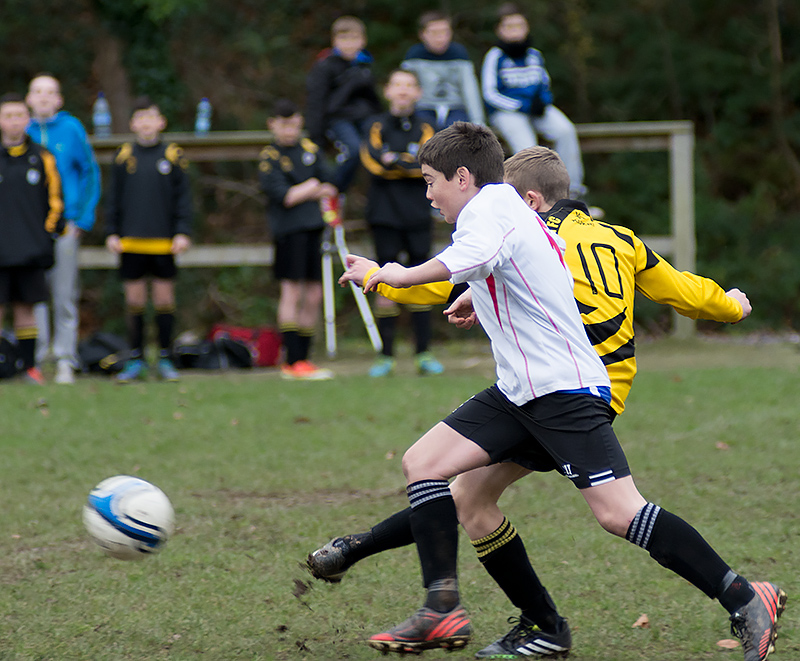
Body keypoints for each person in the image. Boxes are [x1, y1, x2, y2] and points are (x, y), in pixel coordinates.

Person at [311, 127, 786, 661]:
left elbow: (463, 260)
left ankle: (746, 597)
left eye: (430, 181)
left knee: (619, 513)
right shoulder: (524, 214)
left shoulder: (491, 208)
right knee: (434, 470)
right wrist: (479, 293)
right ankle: (475, 612)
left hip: (563, 390)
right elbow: (525, 263)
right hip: (521, 391)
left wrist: (394, 275)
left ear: (463, 177)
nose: (428, 194)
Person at [359, 69, 442, 377]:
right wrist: (403, 161)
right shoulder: (375, 124)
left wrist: (396, 159)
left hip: (419, 211)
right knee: (383, 279)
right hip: (383, 213)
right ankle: (386, 356)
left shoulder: (427, 125)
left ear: (418, 92)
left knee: (422, 277)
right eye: (397, 85)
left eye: (409, 85)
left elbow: (427, 164)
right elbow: (372, 162)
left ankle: (423, 353)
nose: (403, 91)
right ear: (388, 91)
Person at [105, 96, 192, 383]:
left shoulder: (173, 155)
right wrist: (112, 232)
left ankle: (165, 358)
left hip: (164, 241)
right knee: (135, 300)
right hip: (131, 241)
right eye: (140, 118)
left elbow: (184, 197)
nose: (146, 123)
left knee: (165, 298)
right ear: (132, 124)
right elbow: (113, 198)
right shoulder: (123, 156)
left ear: (161, 122)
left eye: (151, 117)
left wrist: (182, 231)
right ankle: (136, 359)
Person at [26, 73, 101, 384]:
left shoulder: (71, 129)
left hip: (65, 226)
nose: (43, 97)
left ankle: (65, 358)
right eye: (37, 91)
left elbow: (89, 172)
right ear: (29, 98)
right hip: (30, 227)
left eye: (50, 92)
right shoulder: (21, 131)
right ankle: (36, 358)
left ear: (59, 99)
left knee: (64, 293)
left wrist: (82, 219)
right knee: (33, 294)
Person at [259, 99, 336, 381]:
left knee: (314, 294)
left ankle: (304, 358)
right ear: (272, 125)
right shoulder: (270, 157)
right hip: (288, 231)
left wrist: (308, 190)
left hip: (314, 228)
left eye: (293, 124)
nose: (289, 130)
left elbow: (329, 185)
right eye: (283, 124)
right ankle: (291, 360)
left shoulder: (310, 150)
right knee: (291, 291)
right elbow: (286, 196)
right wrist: (311, 187)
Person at [481, 3, 586, 199]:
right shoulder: (495, 56)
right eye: (509, 26)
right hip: (507, 112)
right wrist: (520, 106)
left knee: (565, 131)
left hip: (537, 109)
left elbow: (544, 84)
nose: (515, 31)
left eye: (519, 25)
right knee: (528, 148)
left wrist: (543, 101)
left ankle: (572, 193)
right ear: (500, 30)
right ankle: (535, 198)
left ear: (527, 27)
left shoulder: (534, 55)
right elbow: (490, 94)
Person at [0, 93, 64, 384]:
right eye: (8, 116)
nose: (14, 121)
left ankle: (29, 367)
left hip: (30, 249)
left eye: (19, 115)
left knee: (26, 309)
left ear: (27, 119)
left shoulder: (42, 157)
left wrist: (46, 235)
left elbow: (56, 202)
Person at [305, 15, 382, 195]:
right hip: (337, 119)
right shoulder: (325, 67)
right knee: (353, 150)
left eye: (354, 38)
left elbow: (373, 100)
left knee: (379, 150)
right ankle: (334, 190)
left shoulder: (366, 65)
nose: (349, 44)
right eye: (344, 38)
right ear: (334, 41)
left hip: (364, 118)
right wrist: (316, 135)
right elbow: (316, 102)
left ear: (362, 40)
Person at [401, 11, 485, 131]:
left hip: (455, 107)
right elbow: (405, 87)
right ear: (422, 34)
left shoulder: (459, 54)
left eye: (445, 32)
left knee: (457, 135)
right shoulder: (414, 56)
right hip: (424, 107)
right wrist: (403, 117)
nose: (440, 38)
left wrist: (478, 122)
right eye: (434, 33)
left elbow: (469, 89)